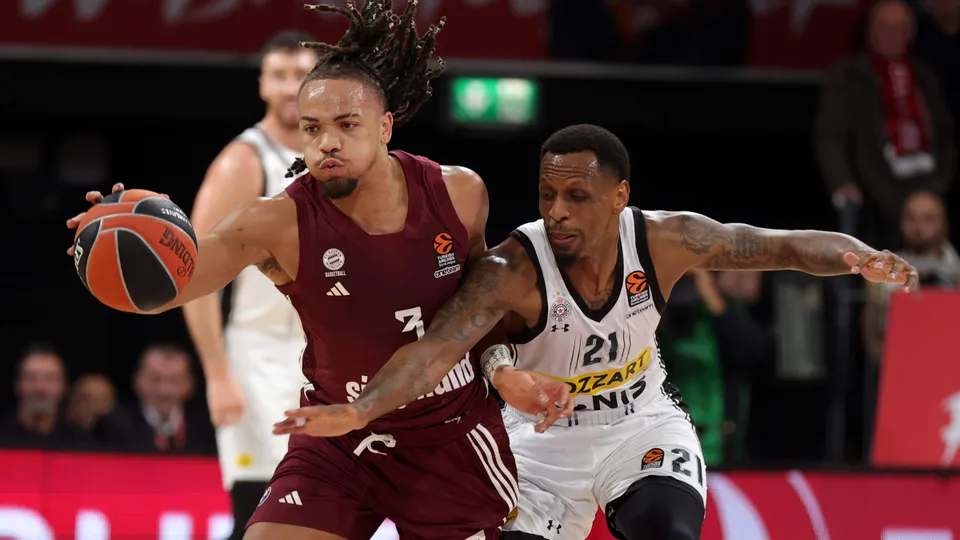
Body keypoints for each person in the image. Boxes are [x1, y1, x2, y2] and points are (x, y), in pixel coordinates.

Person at [65, 2, 568, 539]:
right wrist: (128, 246)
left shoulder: (458, 193)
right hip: (338, 435)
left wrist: (501, 371)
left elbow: (481, 309)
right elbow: (173, 285)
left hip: (446, 435)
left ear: (385, 126)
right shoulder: (275, 221)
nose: (327, 141)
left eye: (346, 125)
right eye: (312, 128)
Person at [275, 124, 919, 540]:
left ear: (619, 195)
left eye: (577, 197)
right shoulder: (511, 268)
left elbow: (778, 246)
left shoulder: (665, 239)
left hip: (640, 426)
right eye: (547, 195)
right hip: (538, 447)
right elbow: (435, 349)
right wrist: (362, 409)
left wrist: (859, 256)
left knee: (665, 529)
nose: (557, 212)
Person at [180, 30, 317, 540]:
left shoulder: (334, 157)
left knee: (320, 509)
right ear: (262, 84)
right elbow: (192, 273)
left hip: (321, 352)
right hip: (259, 355)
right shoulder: (244, 159)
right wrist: (218, 374)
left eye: (301, 75)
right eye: (279, 75)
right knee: (267, 510)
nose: (289, 86)